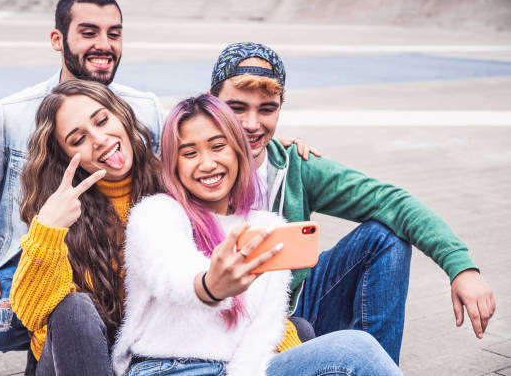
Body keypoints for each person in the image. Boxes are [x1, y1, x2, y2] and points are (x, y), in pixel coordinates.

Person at [208, 42, 496, 363]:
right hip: (216, 320)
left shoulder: (294, 166)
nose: (251, 124)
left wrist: (461, 267)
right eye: (237, 107)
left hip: (289, 311)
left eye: (267, 109)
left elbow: (392, 201)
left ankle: (375, 366)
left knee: (385, 237)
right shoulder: (183, 161)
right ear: (211, 103)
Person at [112, 94, 402, 376]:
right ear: (173, 164)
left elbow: (261, 337)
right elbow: (170, 273)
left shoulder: (266, 227)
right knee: (353, 350)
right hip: (167, 367)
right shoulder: (157, 213)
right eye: (190, 153)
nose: (207, 163)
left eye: (218, 146)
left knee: (353, 352)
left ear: (238, 150)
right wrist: (209, 286)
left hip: (236, 369)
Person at [0, 0, 164, 352]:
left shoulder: (145, 107)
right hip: (33, 256)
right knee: (0, 319)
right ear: (57, 39)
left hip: (116, 255)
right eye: (89, 32)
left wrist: (271, 147)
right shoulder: (9, 114)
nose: (104, 44)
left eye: (114, 33)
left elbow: (187, 161)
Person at [9, 79, 162, 374]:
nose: (100, 139)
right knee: (75, 308)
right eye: (78, 139)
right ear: (66, 157)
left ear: (122, 114)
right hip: (73, 361)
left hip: (148, 358)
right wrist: (48, 230)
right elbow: (31, 313)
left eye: (102, 121)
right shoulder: (62, 208)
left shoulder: (169, 183)